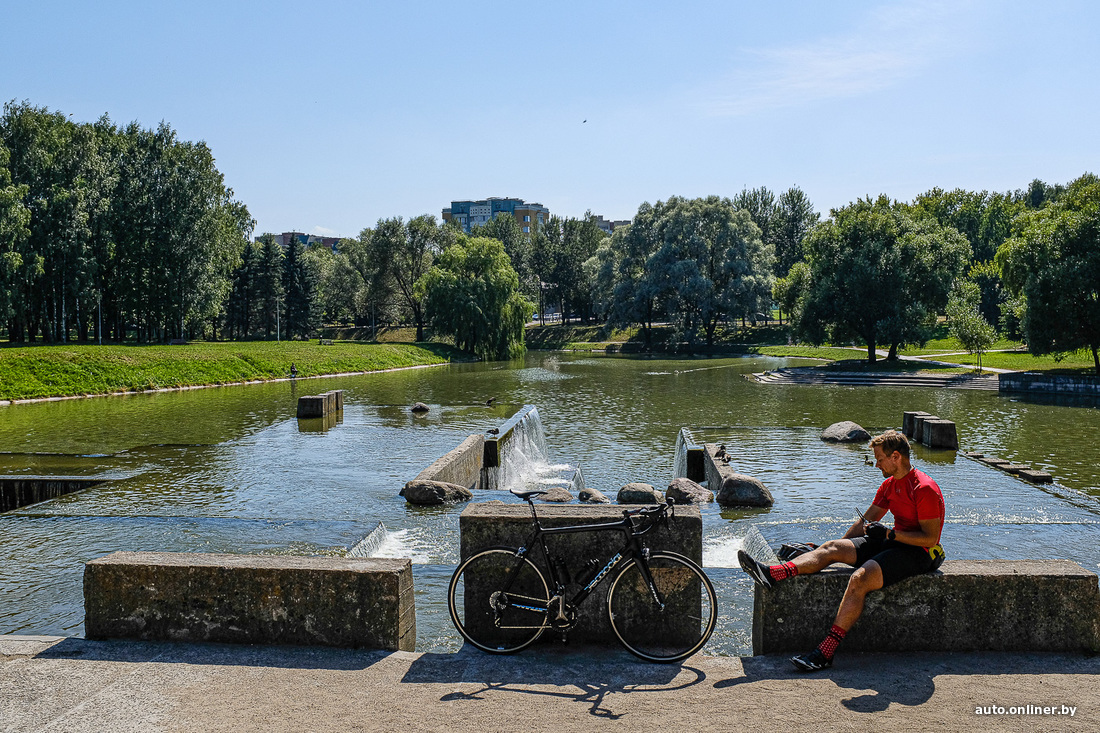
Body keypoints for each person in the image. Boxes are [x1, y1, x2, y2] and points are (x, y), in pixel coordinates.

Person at [738, 429, 945, 672]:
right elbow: (865, 522)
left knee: (860, 578)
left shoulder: (924, 488)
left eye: (879, 459)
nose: (876, 464)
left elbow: (930, 538)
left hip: (920, 553)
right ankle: (774, 573)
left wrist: (889, 534)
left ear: (896, 457)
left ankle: (824, 653)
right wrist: (840, 547)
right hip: (895, 541)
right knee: (831, 547)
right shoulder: (889, 485)